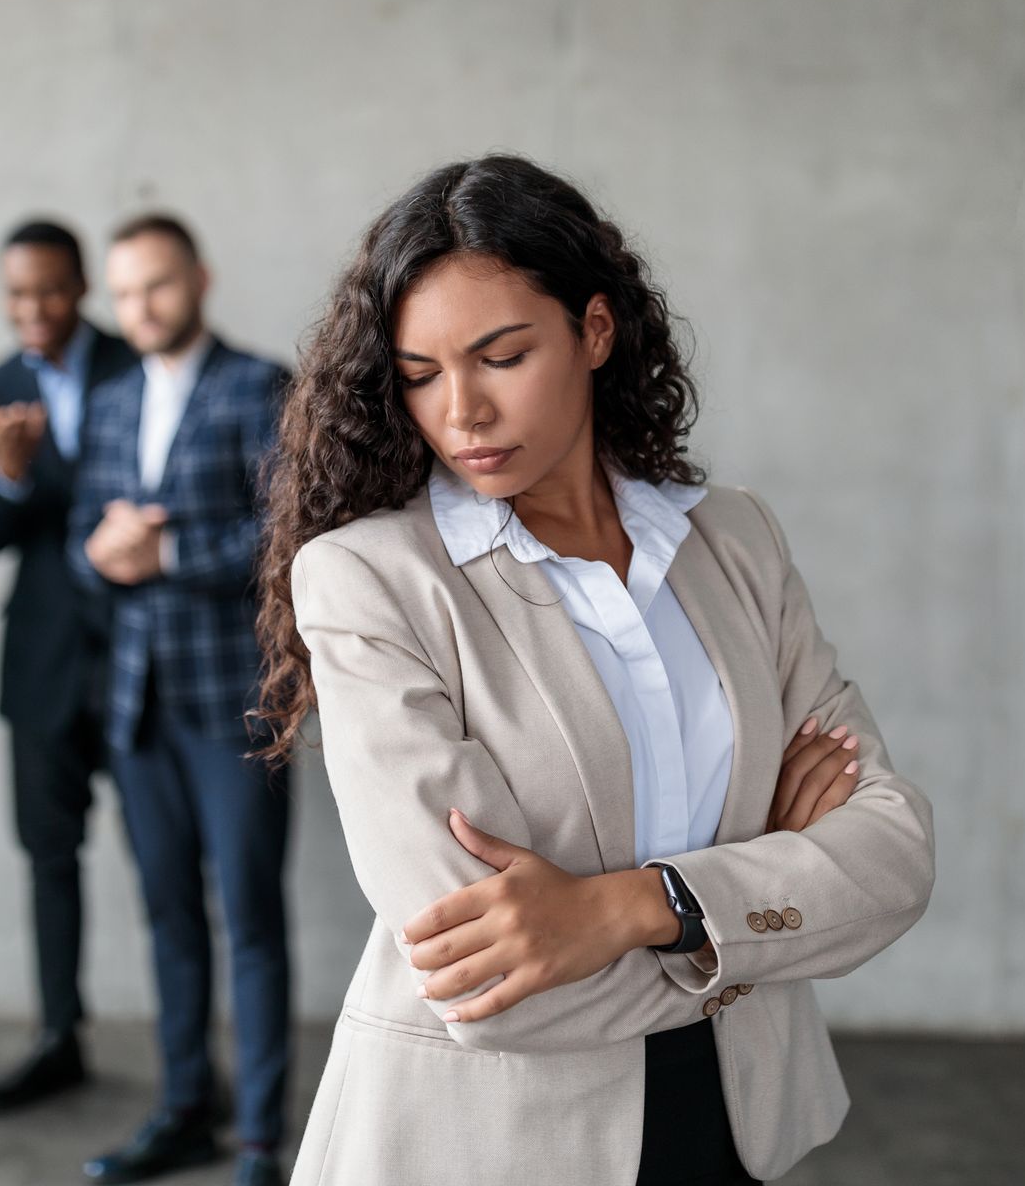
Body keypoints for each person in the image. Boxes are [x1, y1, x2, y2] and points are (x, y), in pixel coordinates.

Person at [252, 155, 938, 1186]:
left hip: (737, 1118)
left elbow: (891, 856)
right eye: (422, 372)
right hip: (485, 1143)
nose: (463, 411)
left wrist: (630, 906)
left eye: (502, 354)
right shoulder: (367, 579)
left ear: (596, 331)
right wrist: (761, 915)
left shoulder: (735, 539)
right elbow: (490, 981)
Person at [68, 215, 293, 1186]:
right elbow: (88, 536)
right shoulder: (112, 400)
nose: (140, 308)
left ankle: (258, 1137)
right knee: (167, 917)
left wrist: (163, 553)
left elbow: (289, 537)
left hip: (235, 700)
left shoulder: (259, 386)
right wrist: (100, 553)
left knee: (248, 916)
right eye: (123, 293)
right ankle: (183, 1109)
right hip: (139, 705)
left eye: (156, 285)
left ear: (198, 278)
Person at [0, 220, 139, 1114]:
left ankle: (189, 1057)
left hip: (144, 658)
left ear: (81, 288)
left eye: (51, 292)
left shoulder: (137, 363)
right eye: (17, 295)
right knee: (48, 858)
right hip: (41, 666)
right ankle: (56, 1036)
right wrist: (5, 476)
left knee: (167, 865)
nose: (34, 310)